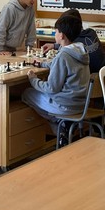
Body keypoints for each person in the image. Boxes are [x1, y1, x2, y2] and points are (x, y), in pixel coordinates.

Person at [22, 14, 90, 144]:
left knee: (27, 93)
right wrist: (42, 64)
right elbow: (62, 65)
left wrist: (33, 79)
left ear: (61, 35)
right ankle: (62, 124)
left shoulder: (63, 55)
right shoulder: (80, 51)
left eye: (56, 31)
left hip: (65, 105)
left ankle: (59, 121)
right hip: (81, 104)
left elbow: (51, 88)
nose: (55, 34)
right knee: (36, 92)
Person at [41, 8, 105, 73]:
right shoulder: (91, 32)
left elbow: (67, 49)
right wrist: (54, 45)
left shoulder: (73, 40)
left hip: (93, 74)